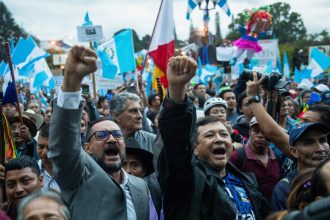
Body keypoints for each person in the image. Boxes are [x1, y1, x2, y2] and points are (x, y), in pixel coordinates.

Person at [48, 45, 154, 220]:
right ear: (87, 147)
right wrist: (72, 81)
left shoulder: (140, 186)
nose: (111, 139)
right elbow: (64, 147)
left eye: (117, 135)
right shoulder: (78, 179)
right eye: (102, 135)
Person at [158, 56, 269, 219]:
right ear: (195, 148)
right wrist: (176, 88)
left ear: (231, 144)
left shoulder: (246, 180)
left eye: (224, 134)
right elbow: (176, 141)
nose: (219, 139)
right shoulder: (188, 180)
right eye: (209, 135)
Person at [230, 117, 281, 200]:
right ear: (250, 133)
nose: (260, 136)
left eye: (265, 132)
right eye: (256, 131)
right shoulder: (238, 156)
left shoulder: (276, 158)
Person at [37, 124, 60, 192]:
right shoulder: (33, 171)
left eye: (50, 148)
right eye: (41, 147)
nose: (44, 152)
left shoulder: (72, 173)